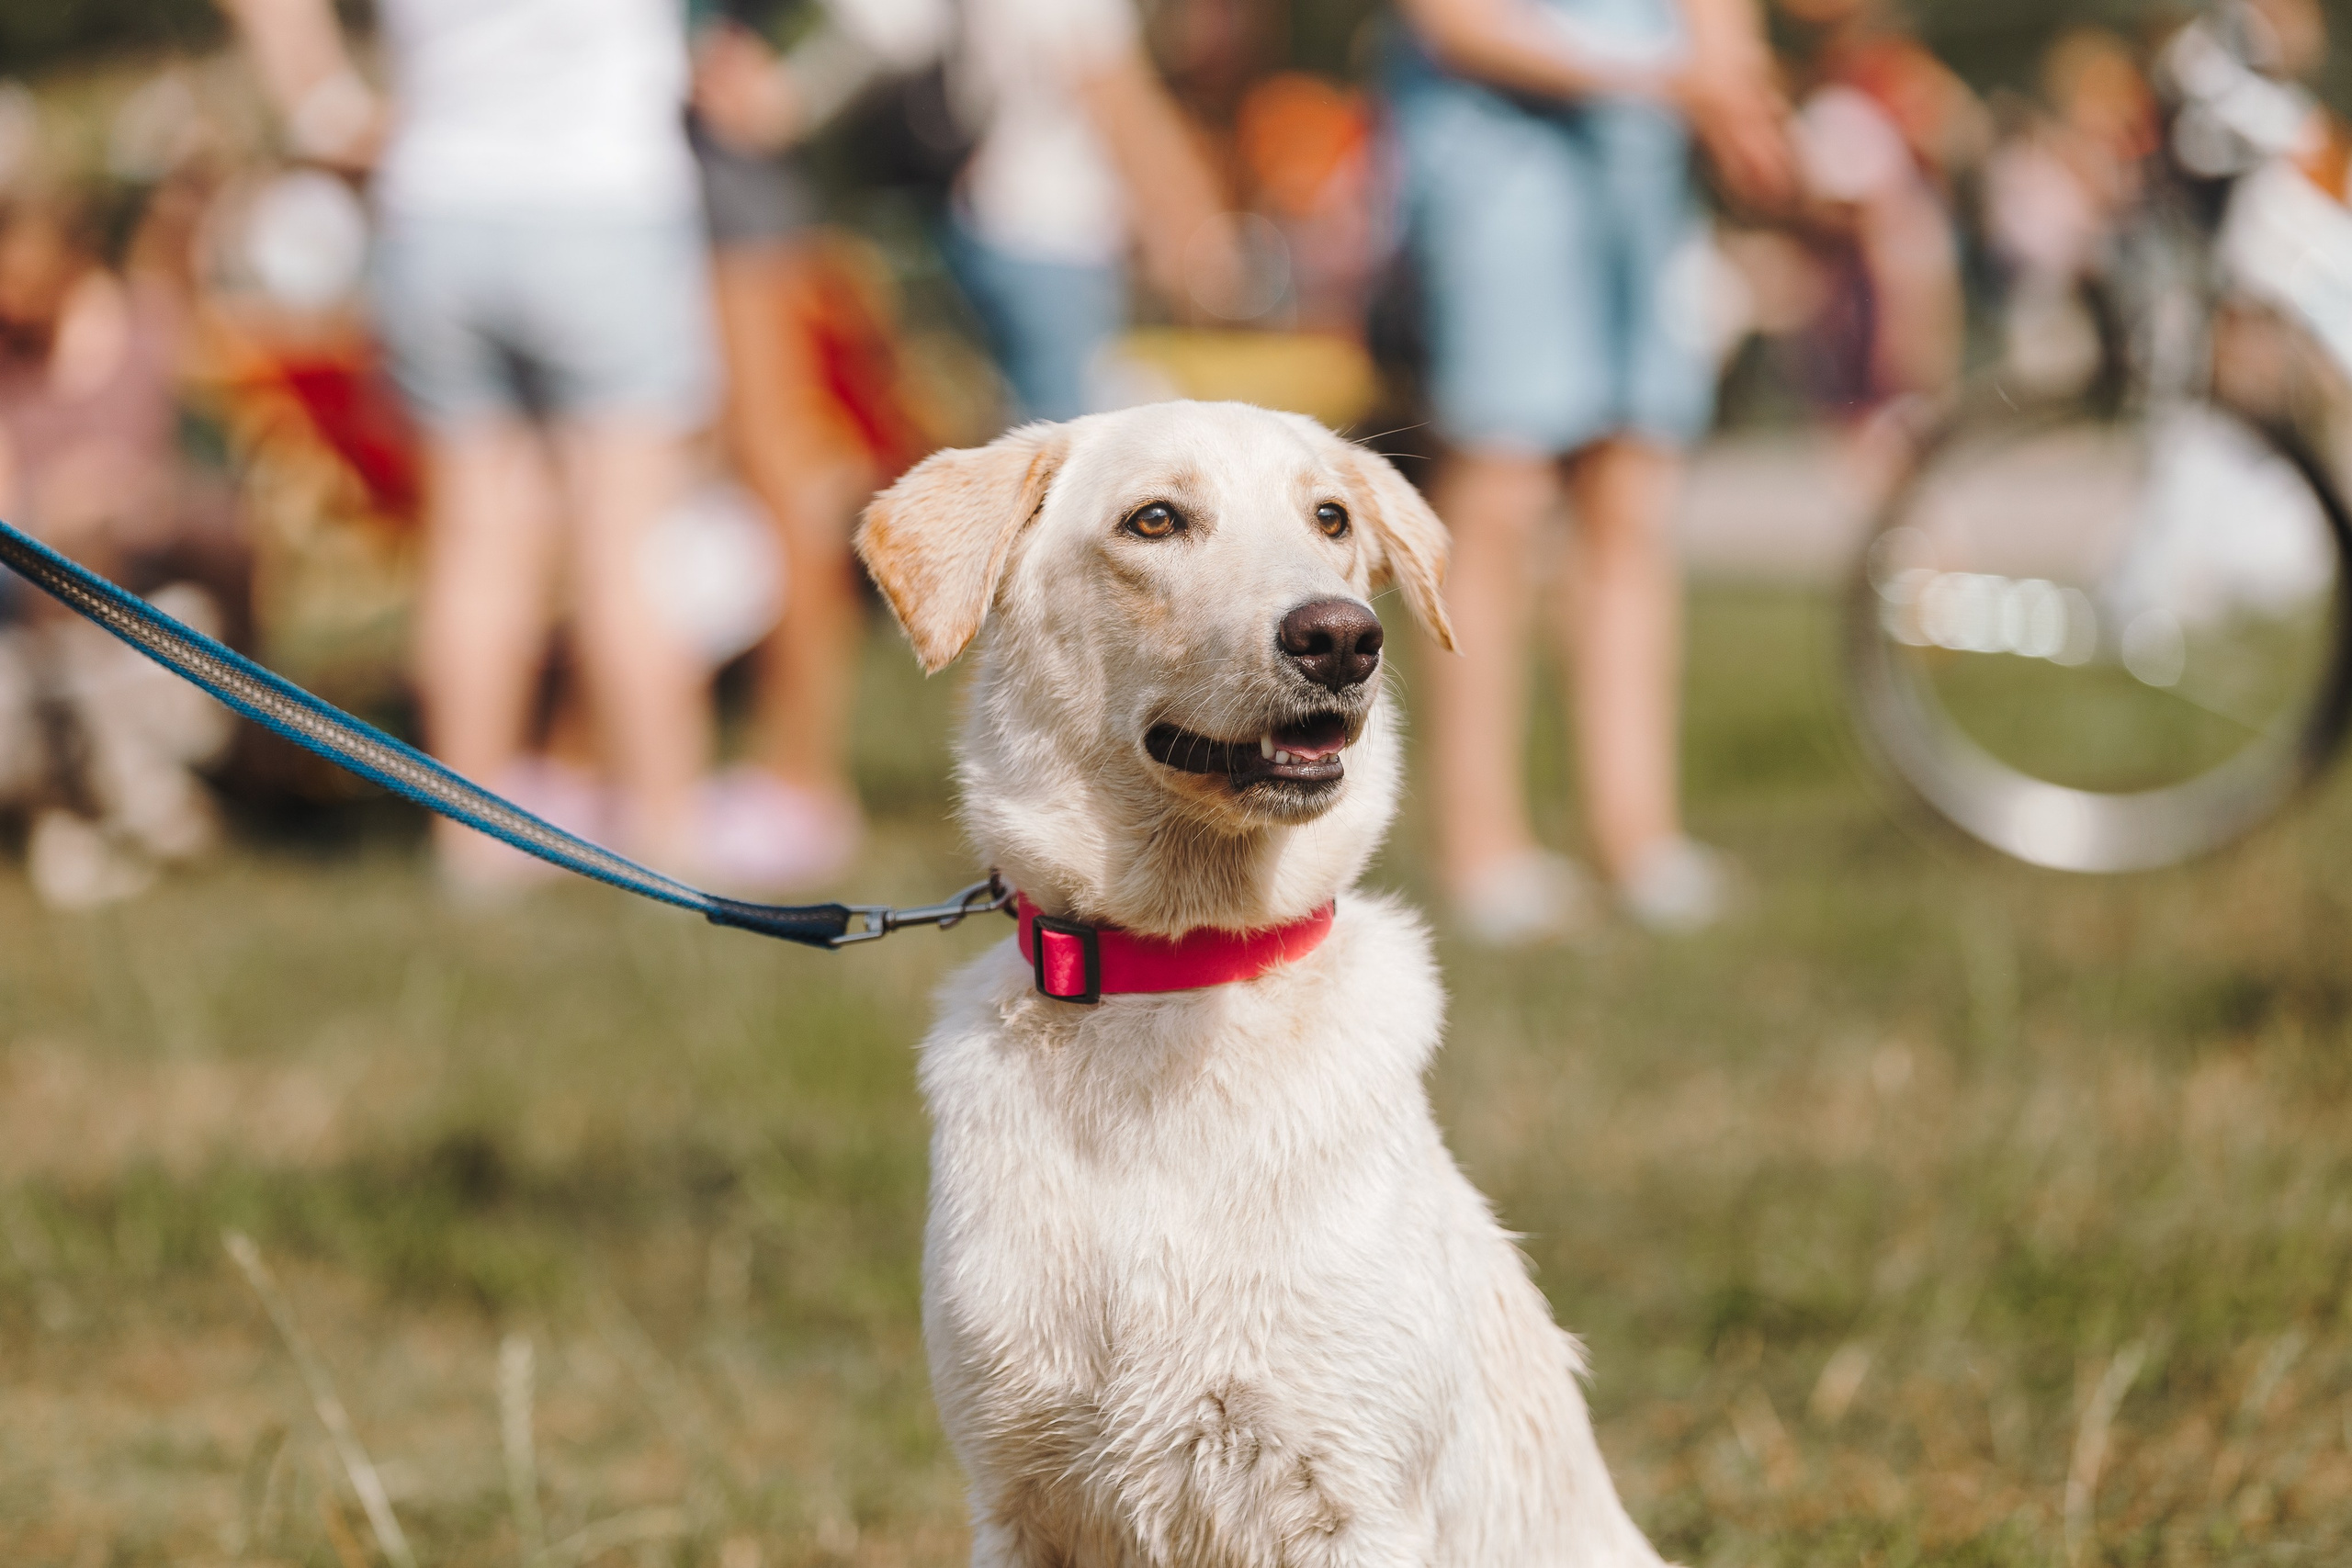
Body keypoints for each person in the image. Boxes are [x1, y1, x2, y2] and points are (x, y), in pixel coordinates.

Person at [220, 0, 717, 889]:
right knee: (627, 548)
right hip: (608, 198)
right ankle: (666, 843)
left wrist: (324, 106)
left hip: (439, 204)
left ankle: (473, 852)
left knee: (475, 548)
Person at [1386, 0, 1792, 939]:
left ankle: (1637, 836)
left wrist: (1736, 83)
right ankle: (1480, 843)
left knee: (1631, 499)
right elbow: (1451, 21)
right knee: (1502, 495)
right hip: (1498, 158)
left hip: (1640, 178)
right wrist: (1666, 77)